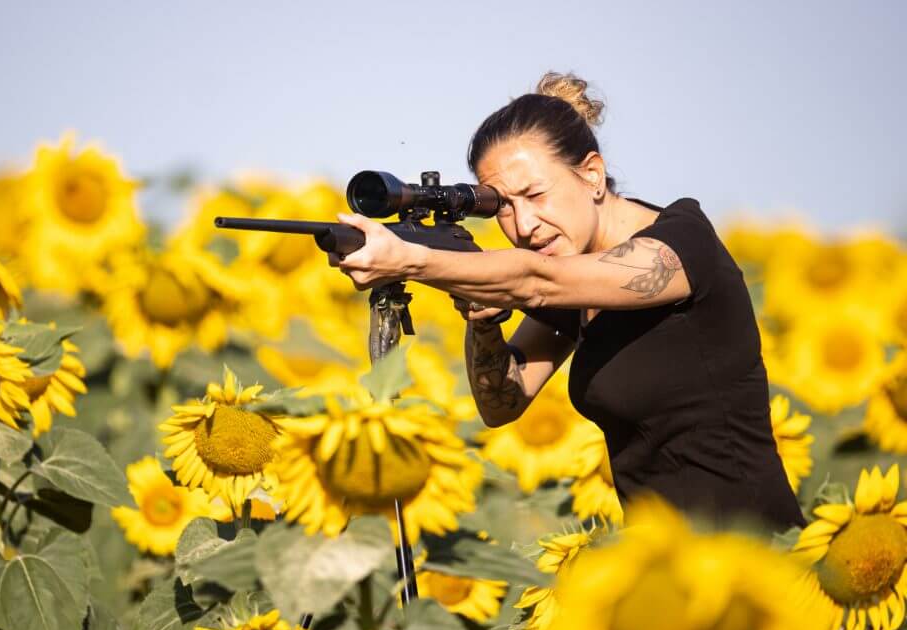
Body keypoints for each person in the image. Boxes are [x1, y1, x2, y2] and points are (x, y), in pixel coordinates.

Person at [328, 71, 805, 532]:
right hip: (662, 577)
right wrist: (484, 322)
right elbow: (503, 404)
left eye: (535, 194)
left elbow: (539, 282)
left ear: (592, 176)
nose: (523, 224)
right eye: (503, 207)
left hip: (760, 565)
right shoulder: (574, 277)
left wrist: (411, 260)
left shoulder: (680, 246)